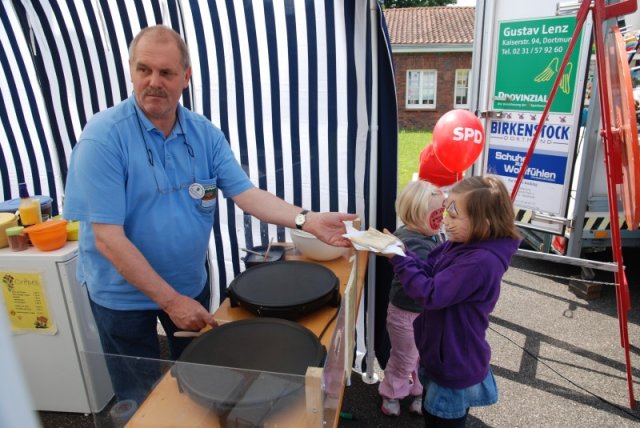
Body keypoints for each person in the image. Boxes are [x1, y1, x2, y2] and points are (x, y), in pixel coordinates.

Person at [63, 25, 357, 403]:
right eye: (144, 70)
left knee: (200, 385)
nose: (154, 82)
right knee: (139, 398)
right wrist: (171, 302)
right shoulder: (103, 137)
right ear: (131, 70)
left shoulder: (204, 134)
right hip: (120, 297)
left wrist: (308, 219)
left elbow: (247, 194)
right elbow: (108, 239)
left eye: (166, 72)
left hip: (187, 283)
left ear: (186, 76)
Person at [384, 176, 521, 427]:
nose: (446, 220)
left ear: (484, 223)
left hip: (454, 362)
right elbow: (430, 270)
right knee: (435, 416)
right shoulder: (461, 244)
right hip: (443, 355)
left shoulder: (479, 262)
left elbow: (431, 293)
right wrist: (403, 252)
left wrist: (400, 260)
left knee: (442, 421)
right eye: (447, 211)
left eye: (454, 215)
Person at [379, 180, 445, 417]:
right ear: (418, 215)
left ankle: (418, 391)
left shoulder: (433, 235)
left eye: (443, 213)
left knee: (422, 356)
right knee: (404, 357)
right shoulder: (412, 240)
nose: (443, 220)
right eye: (437, 215)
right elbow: (425, 276)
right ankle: (391, 394)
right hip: (405, 313)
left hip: (424, 312)